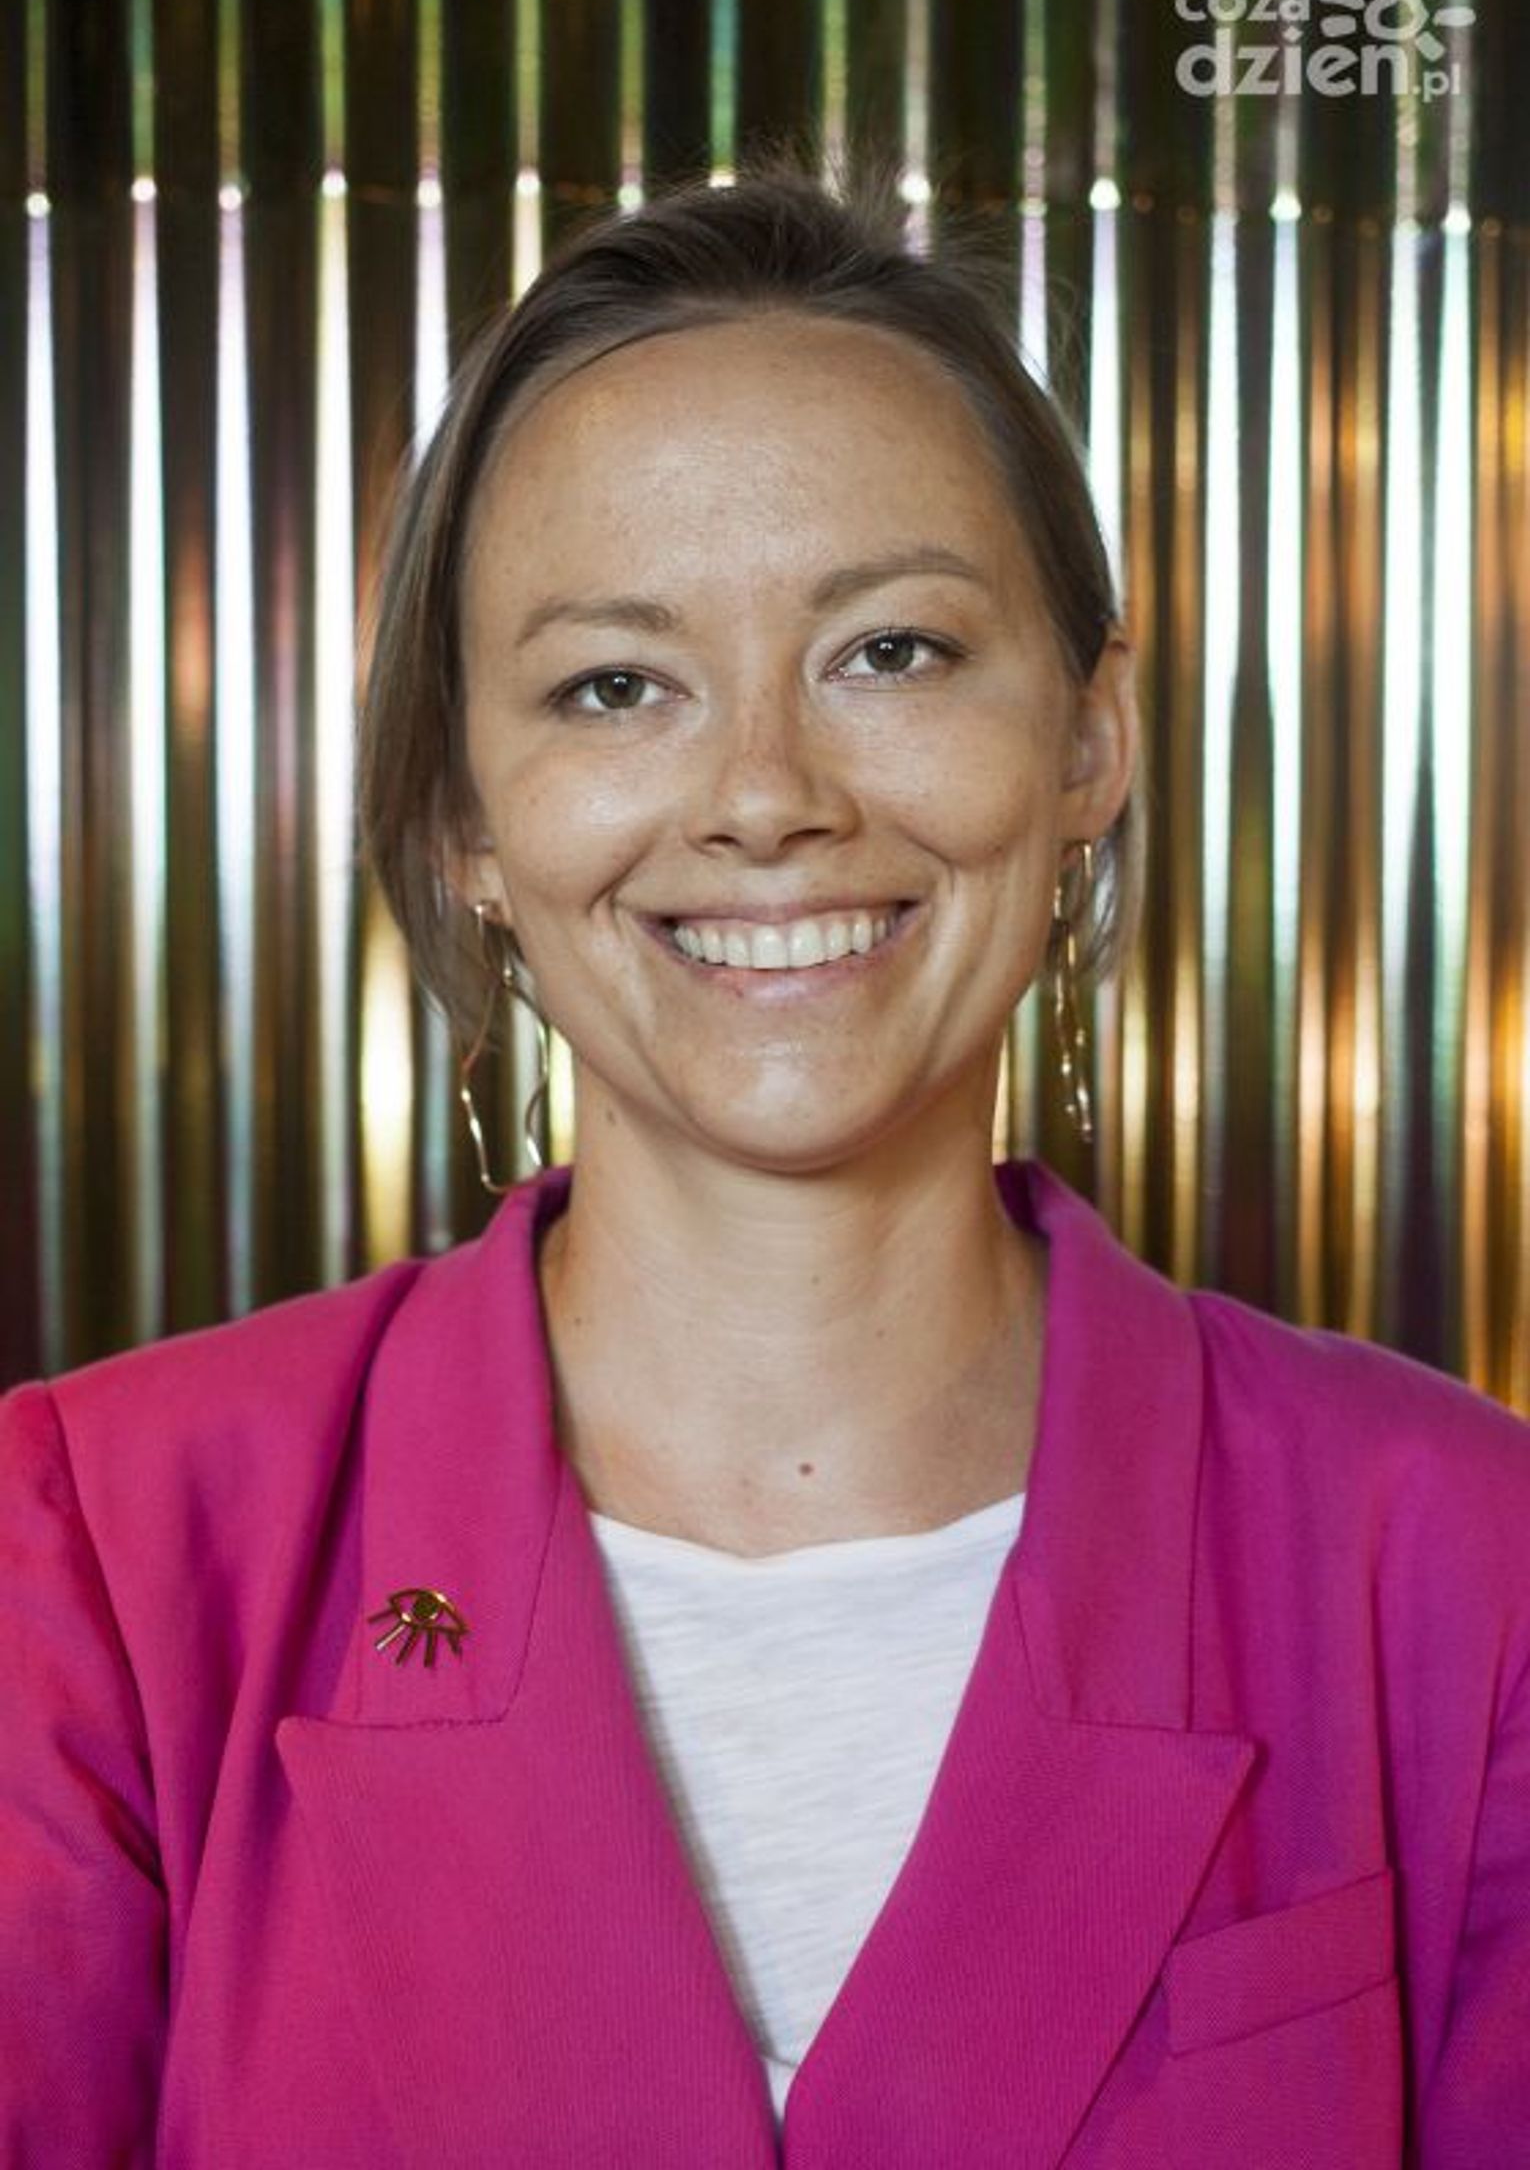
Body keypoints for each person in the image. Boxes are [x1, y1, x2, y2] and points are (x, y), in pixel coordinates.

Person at [2, 172, 1527, 2170]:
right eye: (614, 683)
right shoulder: (103, 1551)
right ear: (469, 816)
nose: (764, 799)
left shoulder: (1460, 1554)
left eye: (890, 650)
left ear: (1088, 739)